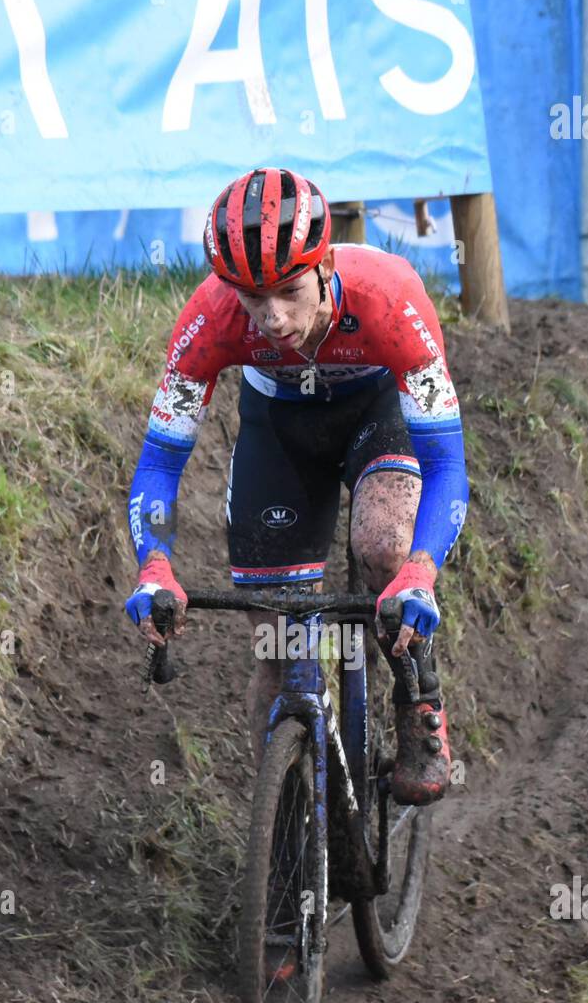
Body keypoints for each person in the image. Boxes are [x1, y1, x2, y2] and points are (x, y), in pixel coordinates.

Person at [123, 167, 469, 806]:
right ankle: (283, 834)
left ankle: (418, 699)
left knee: (386, 547)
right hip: (280, 425)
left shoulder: (390, 299)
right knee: (277, 640)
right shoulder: (210, 316)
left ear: (326, 264)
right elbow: (159, 465)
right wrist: (155, 565)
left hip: (376, 412)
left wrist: (420, 569)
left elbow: (447, 466)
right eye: (252, 298)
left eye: (288, 290)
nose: (273, 318)